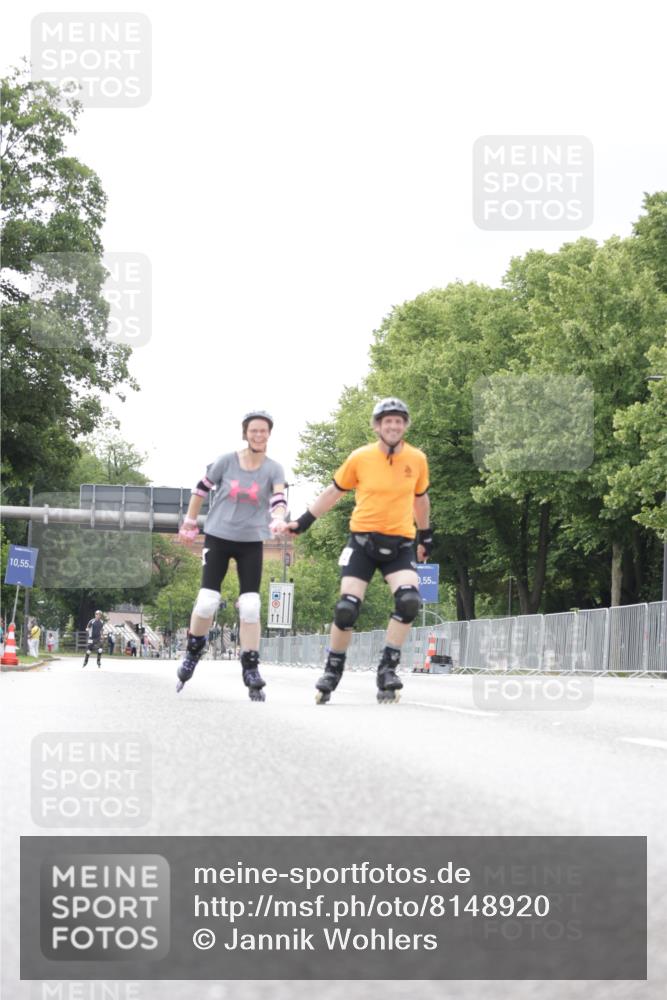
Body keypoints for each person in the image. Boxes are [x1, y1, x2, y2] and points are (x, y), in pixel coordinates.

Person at [275, 398, 432, 703]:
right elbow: (333, 491)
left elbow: (420, 499)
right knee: (347, 607)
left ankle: (387, 669)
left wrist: (425, 536)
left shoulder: (417, 459)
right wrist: (302, 522)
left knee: (409, 601)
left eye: (399, 421)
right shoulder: (360, 458)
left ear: (405, 426)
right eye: (387, 421)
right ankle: (333, 669)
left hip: (400, 543)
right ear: (377, 426)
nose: (393, 425)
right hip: (362, 542)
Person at [176, 410, 287, 700]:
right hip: (218, 536)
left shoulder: (274, 468)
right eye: (254, 431)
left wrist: (278, 516)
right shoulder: (227, 461)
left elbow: (278, 497)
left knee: (250, 605)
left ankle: (250, 666)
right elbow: (201, 489)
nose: (259, 435)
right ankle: (193, 650)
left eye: (264, 431)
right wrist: (190, 521)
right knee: (207, 601)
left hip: (251, 539)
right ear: (245, 434)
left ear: (269, 435)